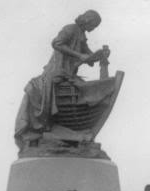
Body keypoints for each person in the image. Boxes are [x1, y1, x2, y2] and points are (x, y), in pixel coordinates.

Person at [15, 10, 107, 146]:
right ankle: (45, 123)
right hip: (57, 70)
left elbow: (88, 54)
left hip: (69, 73)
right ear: (87, 20)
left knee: (82, 88)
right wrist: (79, 55)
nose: (93, 29)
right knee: (46, 88)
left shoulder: (81, 35)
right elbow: (57, 43)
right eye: (93, 25)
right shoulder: (70, 29)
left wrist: (100, 55)